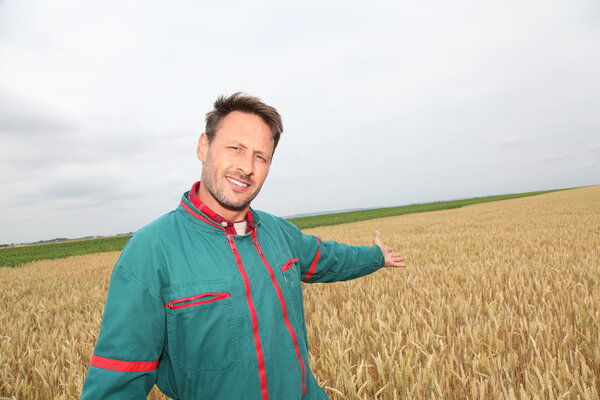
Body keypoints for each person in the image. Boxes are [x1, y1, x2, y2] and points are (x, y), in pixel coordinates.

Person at [80, 92, 406, 399]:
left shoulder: (279, 233)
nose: (247, 167)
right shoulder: (151, 251)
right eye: (235, 148)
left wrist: (377, 256)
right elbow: (117, 379)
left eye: (260, 157)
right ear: (203, 147)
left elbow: (331, 258)